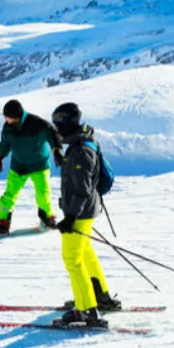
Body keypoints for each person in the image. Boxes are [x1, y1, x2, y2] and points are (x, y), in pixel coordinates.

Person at [51, 102, 121, 328]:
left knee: (73, 259)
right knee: (86, 253)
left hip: (80, 211)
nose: (56, 126)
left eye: (59, 121)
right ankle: (99, 296)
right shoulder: (81, 143)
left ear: (69, 121)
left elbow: (82, 189)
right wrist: (63, 159)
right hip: (87, 209)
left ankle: (85, 309)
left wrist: (70, 216)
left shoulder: (81, 150)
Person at [0, 99, 61, 234]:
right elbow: (5, 143)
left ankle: (47, 218)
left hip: (39, 165)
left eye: (7, 116)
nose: (5, 119)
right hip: (18, 166)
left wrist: (57, 149)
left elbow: (52, 133)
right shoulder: (7, 127)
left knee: (43, 194)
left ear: (14, 116)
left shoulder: (36, 124)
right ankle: (2, 222)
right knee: (9, 195)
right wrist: (0, 156)